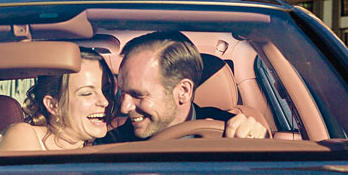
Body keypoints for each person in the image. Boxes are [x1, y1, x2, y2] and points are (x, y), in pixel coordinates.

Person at [108, 31, 269, 141]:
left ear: (183, 91)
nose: (124, 107)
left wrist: (260, 140)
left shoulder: (229, 130)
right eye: (122, 93)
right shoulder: (114, 143)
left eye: (138, 95)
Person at [0, 51, 115, 151]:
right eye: (87, 93)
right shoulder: (23, 135)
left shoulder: (111, 143)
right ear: (53, 105)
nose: (105, 101)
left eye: (106, 91)